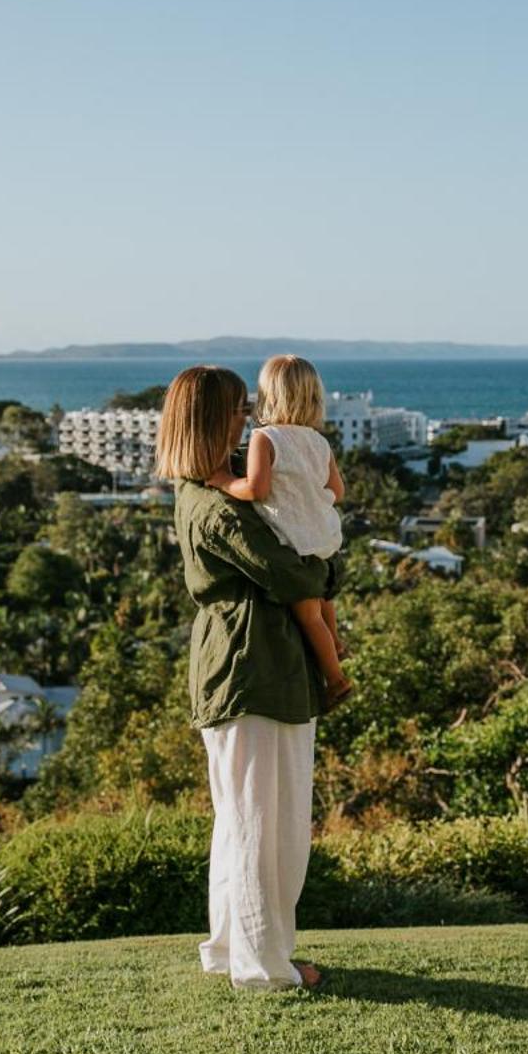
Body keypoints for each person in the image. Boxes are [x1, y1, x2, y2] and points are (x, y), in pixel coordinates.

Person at [156, 364, 338, 992]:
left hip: (252, 664)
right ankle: (264, 967)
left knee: (243, 818)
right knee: (268, 821)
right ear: (210, 419)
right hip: (252, 666)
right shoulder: (218, 504)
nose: (247, 418)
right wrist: (323, 569)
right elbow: (294, 575)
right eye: (236, 409)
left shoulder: (206, 490)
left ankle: (235, 950)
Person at [207, 354, 351, 707]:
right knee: (324, 599)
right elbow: (338, 491)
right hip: (324, 540)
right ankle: (336, 643)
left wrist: (225, 481)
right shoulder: (319, 442)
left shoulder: (264, 439)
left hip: (296, 543)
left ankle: (335, 679)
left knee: (308, 614)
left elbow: (256, 489)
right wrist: (310, 499)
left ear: (267, 396)